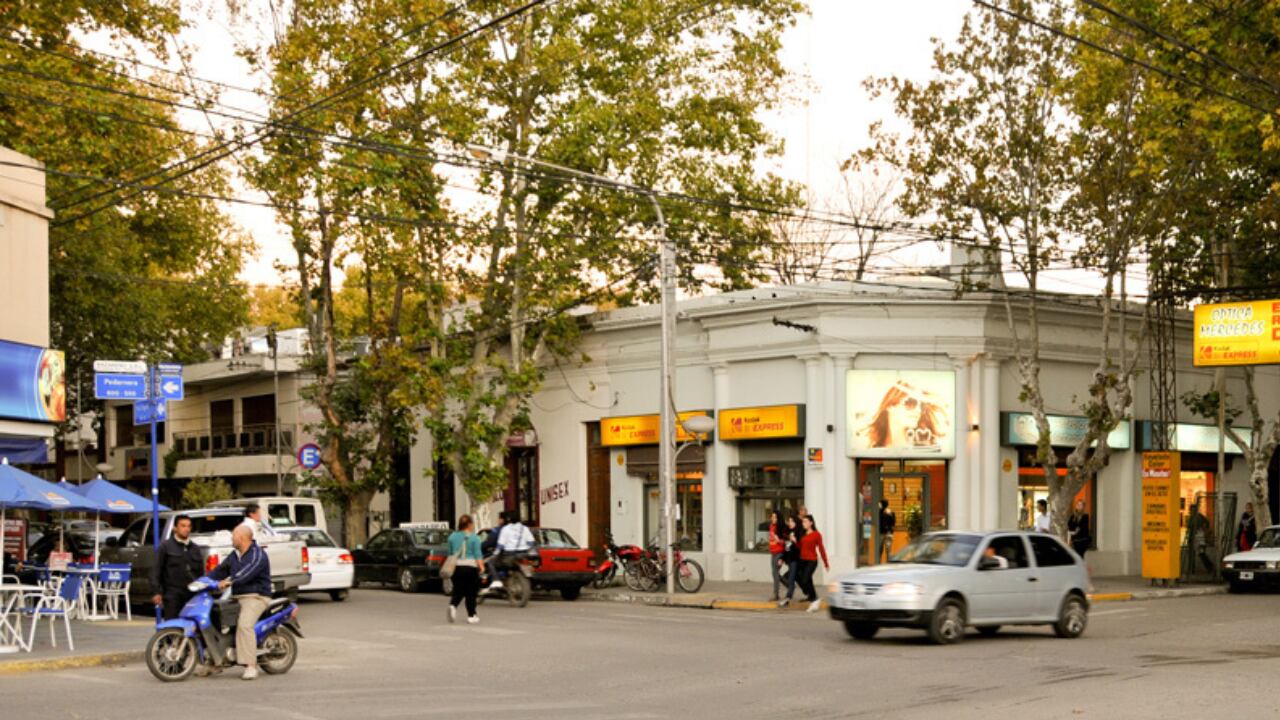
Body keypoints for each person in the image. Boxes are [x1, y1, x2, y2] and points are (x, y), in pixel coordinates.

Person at [207, 526, 272, 681]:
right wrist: (203, 581)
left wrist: (229, 581)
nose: (231, 539)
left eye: (233, 536)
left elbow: (246, 573)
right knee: (213, 619)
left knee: (244, 625)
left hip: (256, 596)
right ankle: (216, 661)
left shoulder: (257, 554)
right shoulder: (235, 555)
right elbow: (219, 571)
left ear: (241, 538)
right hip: (237, 597)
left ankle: (250, 665)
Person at [858, 380, 950, 450]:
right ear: (890, 406)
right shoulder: (869, 448)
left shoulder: (926, 447)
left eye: (921, 405)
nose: (918, 410)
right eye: (910, 403)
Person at [150, 514, 205, 620]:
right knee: (172, 625)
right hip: (172, 595)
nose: (186, 529)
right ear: (175, 528)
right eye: (183, 526)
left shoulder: (195, 548)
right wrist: (156, 592)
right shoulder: (165, 547)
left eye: (189, 526)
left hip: (191, 595)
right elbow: (156, 570)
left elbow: (200, 573)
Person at [446, 514, 485, 625]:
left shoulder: (452, 537)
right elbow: (478, 555)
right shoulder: (475, 538)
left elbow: (450, 553)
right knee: (471, 593)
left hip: (456, 567)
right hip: (470, 568)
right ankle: (471, 615)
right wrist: (482, 567)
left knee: (459, 590)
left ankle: (453, 605)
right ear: (469, 524)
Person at [488, 511, 535, 591]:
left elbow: (500, 545)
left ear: (509, 519)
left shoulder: (505, 529)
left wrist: (495, 554)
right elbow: (531, 542)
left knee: (491, 562)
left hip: (509, 555)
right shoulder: (525, 528)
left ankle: (496, 580)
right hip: (523, 554)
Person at [797, 515, 830, 613]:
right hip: (803, 560)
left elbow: (821, 549)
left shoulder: (816, 534)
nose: (804, 523)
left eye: (806, 521)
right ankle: (813, 599)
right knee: (805, 580)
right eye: (803, 522)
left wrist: (826, 563)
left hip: (812, 560)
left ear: (811, 523)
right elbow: (801, 547)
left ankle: (814, 599)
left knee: (806, 579)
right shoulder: (803, 533)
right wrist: (795, 541)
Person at [777, 515, 804, 608]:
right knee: (791, 578)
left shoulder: (799, 533)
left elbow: (800, 548)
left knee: (791, 579)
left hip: (796, 560)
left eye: (792, 521)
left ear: (796, 523)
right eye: (789, 521)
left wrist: (795, 540)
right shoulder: (788, 533)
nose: (790, 523)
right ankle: (809, 594)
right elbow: (786, 548)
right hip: (789, 560)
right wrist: (782, 559)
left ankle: (787, 599)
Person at [767, 510, 785, 601]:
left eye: (775, 517)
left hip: (780, 553)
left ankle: (776, 595)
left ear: (778, 518)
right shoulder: (771, 526)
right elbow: (770, 538)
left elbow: (785, 542)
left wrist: (779, 541)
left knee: (775, 572)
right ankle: (787, 582)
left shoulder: (781, 527)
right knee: (774, 573)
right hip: (773, 552)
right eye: (772, 517)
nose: (773, 519)